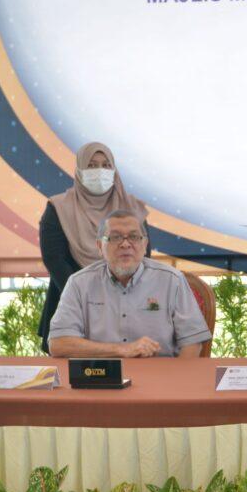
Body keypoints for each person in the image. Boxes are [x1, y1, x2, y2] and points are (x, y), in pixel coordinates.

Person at [48, 209, 210, 358]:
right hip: (101, 378)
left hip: (160, 377)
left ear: (144, 244)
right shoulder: (79, 283)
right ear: (99, 246)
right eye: (116, 237)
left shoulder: (172, 280)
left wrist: (175, 384)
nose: (125, 244)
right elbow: (58, 344)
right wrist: (121, 349)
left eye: (134, 237)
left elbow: (192, 342)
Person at [38, 142, 149, 353]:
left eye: (106, 165)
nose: (100, 171)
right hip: (73, 309)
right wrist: (88, 300)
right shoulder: (59, 207)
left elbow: (142, 256)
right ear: (79, 170)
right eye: (92, 165)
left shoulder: (132, 208)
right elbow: (54, 260)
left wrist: (119, 298)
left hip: (130, 309)